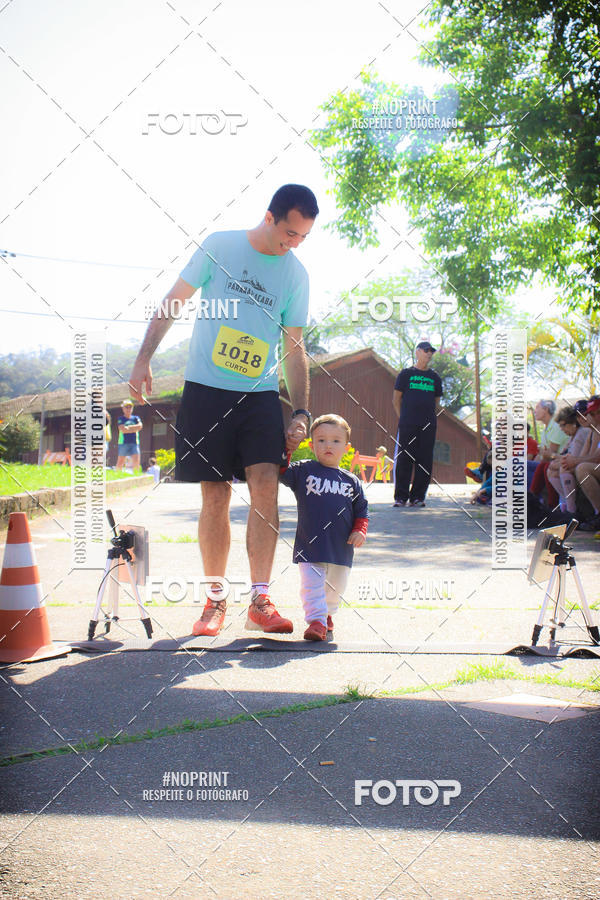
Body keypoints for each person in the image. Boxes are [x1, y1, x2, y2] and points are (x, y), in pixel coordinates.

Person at [129, 184, 319, 636]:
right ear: (269, 217)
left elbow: (294, 348)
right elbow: (174, 301)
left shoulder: (296, 275)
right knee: (214, 495)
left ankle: (260, 599)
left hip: (258, 396)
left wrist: (301, 410)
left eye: (303, 238)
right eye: (289, 233)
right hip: (205, 390)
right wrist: (142, 359)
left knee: (265, 486)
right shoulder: (219, 246)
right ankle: (215, 600)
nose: (293, 244)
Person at [280, 414, 368, 641]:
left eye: (335, 441)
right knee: (312, 586)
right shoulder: (304, 471)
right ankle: (316, 621)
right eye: (321, 440)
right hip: (310, 544)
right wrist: (287, 448)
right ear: (311, 445)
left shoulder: (351, 481)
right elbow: (281, 471)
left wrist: (360, 530)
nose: (328, 445)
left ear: (346, 447)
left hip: (341, 547)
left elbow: (361, 510)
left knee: (335, 588)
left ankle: (327, 613)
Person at [392, 340, 443, 508]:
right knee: (405, 459)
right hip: (407, 425)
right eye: (426, 350)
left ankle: (418, 497)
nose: (429, 353)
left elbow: (436, 402)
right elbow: (396, 400)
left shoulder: (434, 377)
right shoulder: (406, 374)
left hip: (428, 426)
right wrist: (403, 418)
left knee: (424, 460)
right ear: (418, 352)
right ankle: (401, 497)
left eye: (431, 351)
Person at [546, 405, 592, 514]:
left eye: (563, 425)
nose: (561, 429)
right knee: (550, 471)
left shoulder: (581, 433)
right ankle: (565, 504)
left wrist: (553, 457)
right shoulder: (572, 436)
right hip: (576, 463)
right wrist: (554, 461)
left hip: (583, 464)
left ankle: (571, 510)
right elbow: (566, 456)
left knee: (563, 469)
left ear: (573, 423)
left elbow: (572, 459)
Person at [527, 400, 569, 503]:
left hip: (557, 461)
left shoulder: (556, 425)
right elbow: (541, 454)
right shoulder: (545, 429)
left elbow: (549, 454)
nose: (535, 411)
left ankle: (532, 501)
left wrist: (542, 454)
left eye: (537, 408)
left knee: (530, 467)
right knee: (517, 464)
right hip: (548, 461)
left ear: (546, 409)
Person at [116, 401, 142, 472]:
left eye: (130, 407)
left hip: (134, 442)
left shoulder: (136, 418)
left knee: (136, 461)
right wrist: (134, 429)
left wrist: (128, 428)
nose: (128, 409)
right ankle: (118, 474)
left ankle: (136, 475)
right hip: (123, 442)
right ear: (123, 409)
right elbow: (123, 429)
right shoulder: (121, 419)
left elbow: (140, 426)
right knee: (121, 461)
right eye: (126, 407)